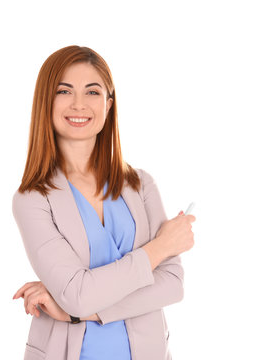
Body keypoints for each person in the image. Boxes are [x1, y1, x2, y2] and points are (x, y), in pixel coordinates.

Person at [11, 45, 195, 360]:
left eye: (92, 92)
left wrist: (77, 312)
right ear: (46, 102)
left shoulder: (141, 184)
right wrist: (160, 248)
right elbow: (79, 295)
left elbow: (172, 285)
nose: (79, 104)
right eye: (64, 91)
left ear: (109, 105)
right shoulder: (32, 199)